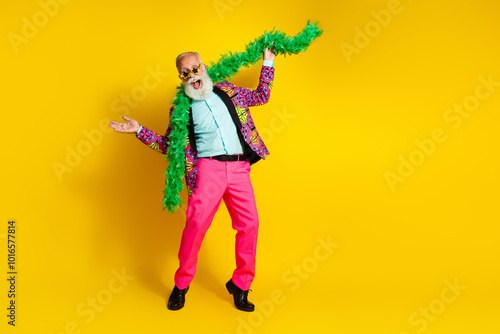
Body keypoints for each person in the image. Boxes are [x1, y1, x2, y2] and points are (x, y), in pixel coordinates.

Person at [109, 46, 276, 312]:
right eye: (184, 72)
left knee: (250, 224)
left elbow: (262, 96)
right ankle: (181, 284)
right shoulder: (180, 110)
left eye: (195, 68)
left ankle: (241, 285)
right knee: (195, 227)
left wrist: (268, 62)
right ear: (181, 77)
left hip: (238, 167)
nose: (191, 74)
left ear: (204, 67)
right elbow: (169, 146)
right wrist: (139, 130)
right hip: (207, 170)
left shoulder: (229, 91)